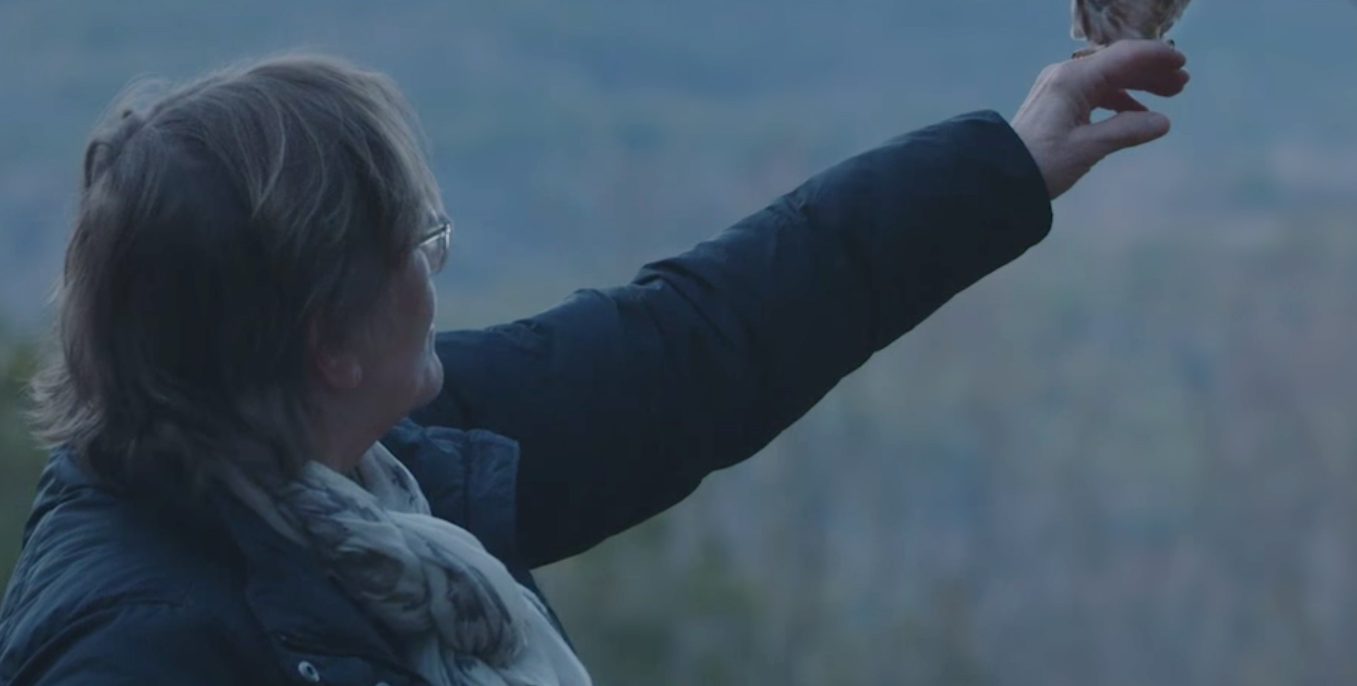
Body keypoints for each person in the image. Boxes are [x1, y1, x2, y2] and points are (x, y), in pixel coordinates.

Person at [0, 40, 1188, 685]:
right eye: (420, 244)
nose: (435, 273)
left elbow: (698, 341)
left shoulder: (373, 468)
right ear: (326, 338)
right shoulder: (133, 644)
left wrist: (1009, 160)